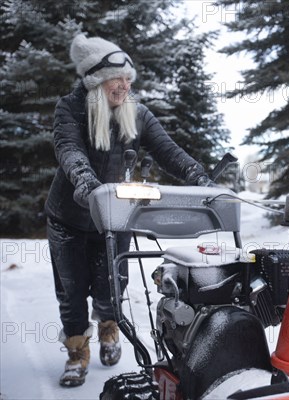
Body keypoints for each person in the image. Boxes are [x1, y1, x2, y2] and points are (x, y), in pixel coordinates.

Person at [44, 34, 210, 387]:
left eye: (128, 78)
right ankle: (76, 353)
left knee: (111, 286)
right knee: (72, 293)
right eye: (117, 79)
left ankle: (108, 329)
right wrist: (87, 185)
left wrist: (197, 174)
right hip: (69, 219)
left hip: (113, 217)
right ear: (96, 80)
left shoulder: (138, 113)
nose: (125, 85)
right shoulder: (70, 108)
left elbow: (169, 151)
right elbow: (69, 151)